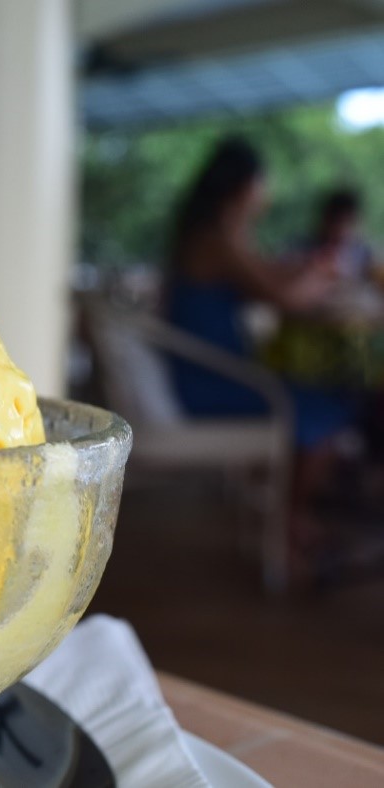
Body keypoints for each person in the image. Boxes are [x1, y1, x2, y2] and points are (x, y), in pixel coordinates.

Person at [164, 137, 355, 582]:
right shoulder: (216, 241)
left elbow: (269, 273)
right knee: (326, 406)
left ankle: (290, 520)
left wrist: (310, 269)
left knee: (323, 395)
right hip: (211, 383)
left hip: (218, 374)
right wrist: (323, 273)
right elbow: (284, 297)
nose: (268, 192)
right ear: (246, 186)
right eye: (263, 182)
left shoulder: (218, 237)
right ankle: (287, 526)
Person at [300, 188, 376, 283]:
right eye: (337, 223)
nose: (341, 231)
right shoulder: (303, 248)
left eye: (346, 223)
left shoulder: (365, 255)